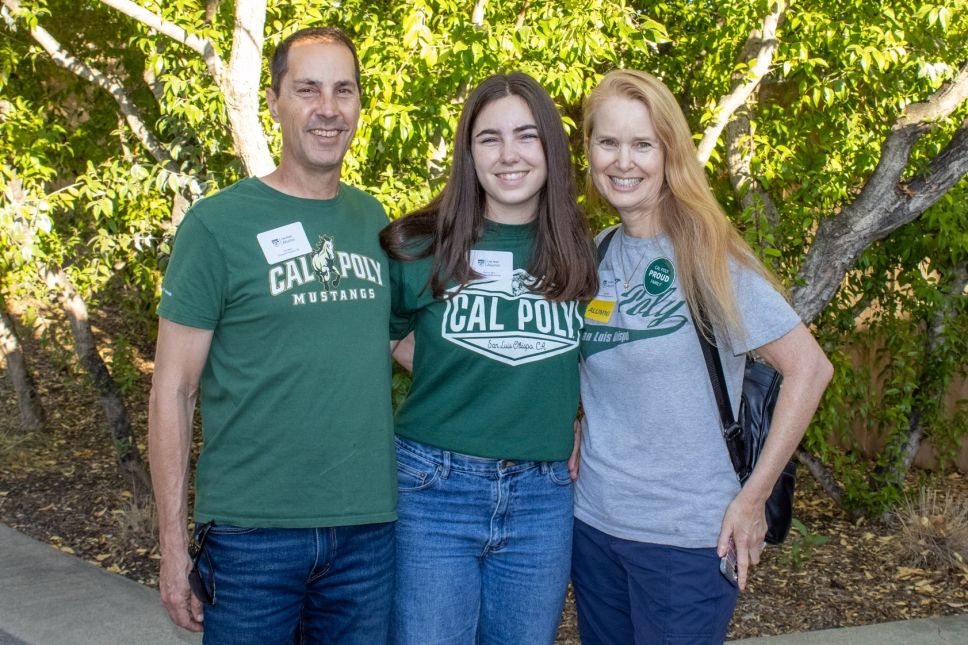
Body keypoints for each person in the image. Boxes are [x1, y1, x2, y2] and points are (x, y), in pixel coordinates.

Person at [148, 27, 396, 643]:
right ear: (274, 100)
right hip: (251, 538)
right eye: (307, 89)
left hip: (368, 534)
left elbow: (404, 346)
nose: (328, 108)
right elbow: (172, 391)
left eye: (344, 90)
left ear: (360, 104)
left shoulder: (375, 221)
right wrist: (173, 547)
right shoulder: (218, 225)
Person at [570, 69, 834, 644]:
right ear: (588, 149)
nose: (623, 161)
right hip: (593, 528)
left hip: (687, 540)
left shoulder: (707, 257)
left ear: (670, 154)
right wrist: (574, 420)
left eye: (643, 145)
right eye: (608, 142)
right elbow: (593, 374)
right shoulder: (593, 256)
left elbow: (809, 369)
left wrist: (753, 496)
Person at [380, 72, 598, 644]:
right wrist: (450, 374)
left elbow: (592, 359)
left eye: (526, 136)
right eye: (489, 138)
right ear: (468, 152)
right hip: (433, 489)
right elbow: (376, 341)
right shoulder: (418, 246)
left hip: (543, 498)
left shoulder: (582, 251)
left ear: (551, 147)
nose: (509, 155)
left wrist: (566, 409)